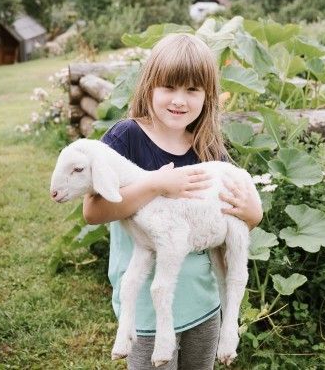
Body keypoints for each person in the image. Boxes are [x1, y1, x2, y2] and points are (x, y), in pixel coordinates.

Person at [82, 33, 263, 369]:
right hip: (148, 314)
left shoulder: (207, 146)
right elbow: (93, 211)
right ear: (149, 86)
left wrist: (253, 214)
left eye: (192, 90)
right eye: (169, 87)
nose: (179, 100)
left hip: (202, 302)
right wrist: (155, 184)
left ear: (207, 96)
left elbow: (234, 213)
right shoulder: (126, 137)